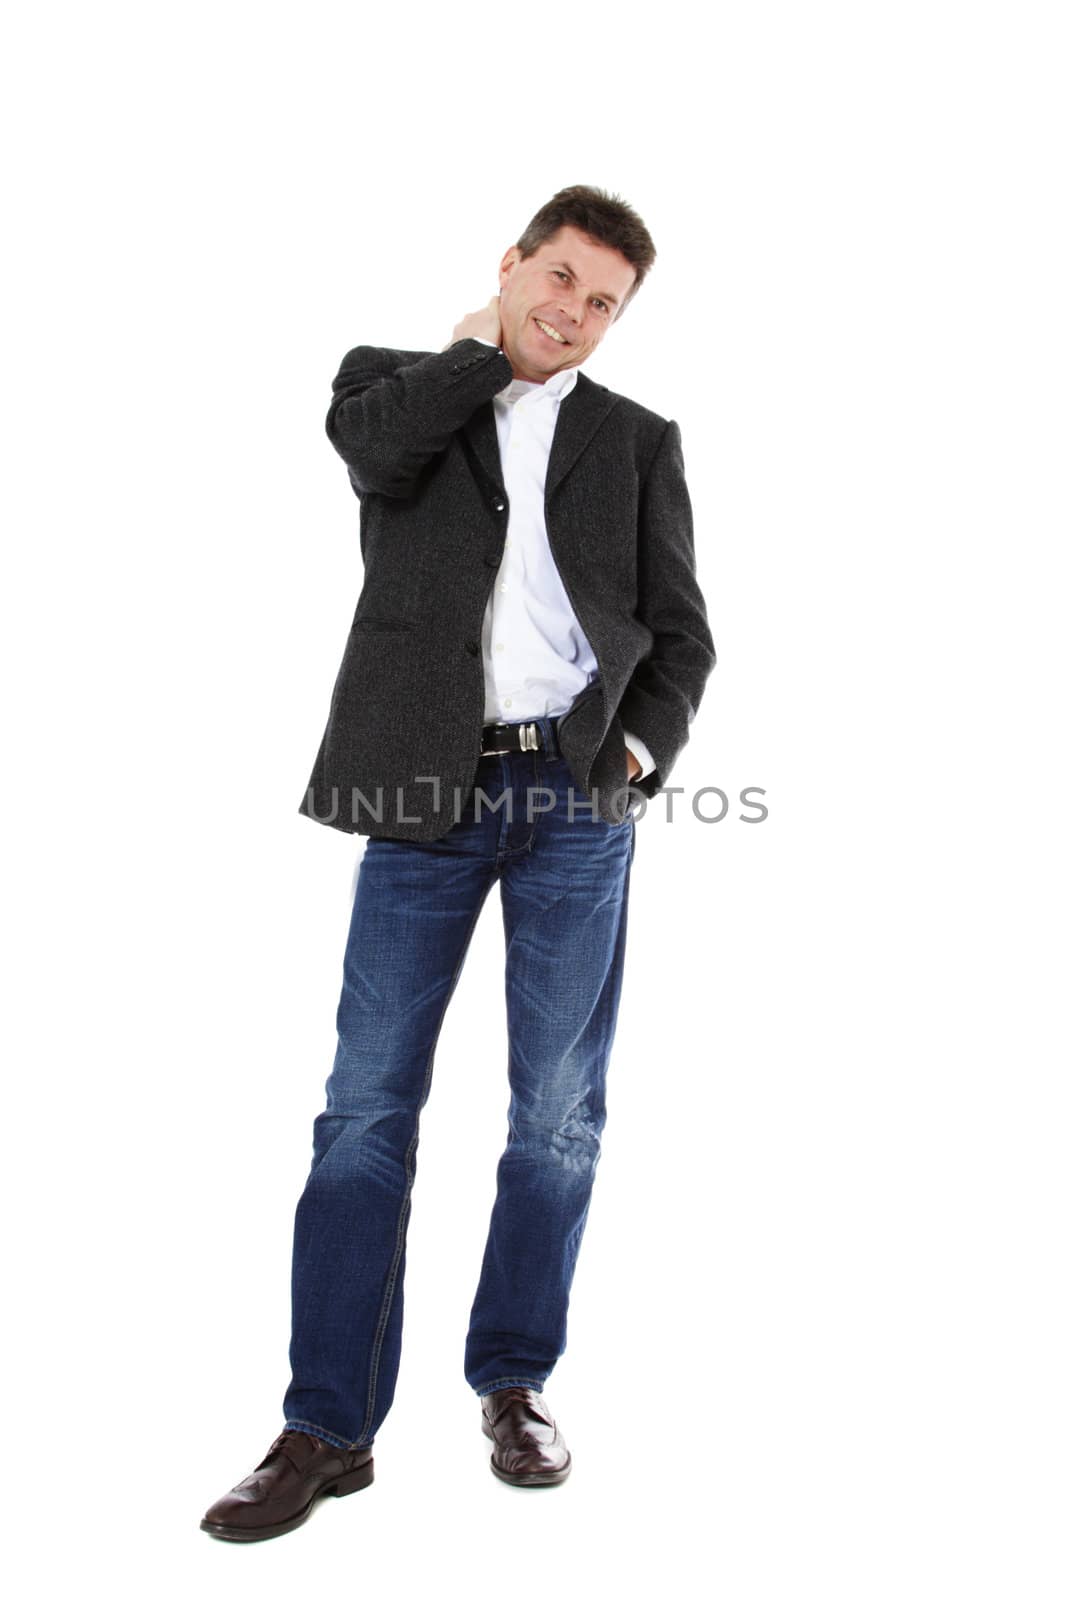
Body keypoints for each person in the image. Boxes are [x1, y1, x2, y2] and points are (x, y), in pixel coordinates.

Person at [201, 184, 715, 1541]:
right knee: (366, 1107)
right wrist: (482, 352)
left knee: (555, 1112)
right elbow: (371, 457)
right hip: (416, 789)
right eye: (558, 278)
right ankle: (327, 1426)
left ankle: (514, 1380)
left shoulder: (639, 441)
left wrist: (634, 760)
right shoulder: (400, 389)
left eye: (603, 302)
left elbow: (682, 634)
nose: (575, 312)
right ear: (512, 266)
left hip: (573, 797)